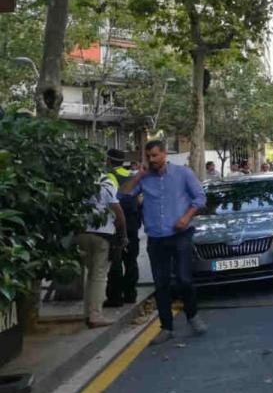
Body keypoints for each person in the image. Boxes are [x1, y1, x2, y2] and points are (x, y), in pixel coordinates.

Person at [119, 140, 207, 346]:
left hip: (181, 234)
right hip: (156, 238)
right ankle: (166, 327)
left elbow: (200, 198)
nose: (151, 160)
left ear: (164, 155)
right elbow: (122, 195)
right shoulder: (144, 178)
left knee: (184, 279)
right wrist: (139, 175)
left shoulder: (182, 174)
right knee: (161, 283)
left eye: (155, 156)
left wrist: (187, 216)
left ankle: (192, 315)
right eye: (148, 156)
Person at [75, 166, 128, 327]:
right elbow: (118, 211)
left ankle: (88, 313)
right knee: (99, 276)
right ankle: (95, 316)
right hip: (103, 235)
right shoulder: (106, 181)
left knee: (91, 275)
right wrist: (123, 235)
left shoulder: (79, 181)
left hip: (82, 233)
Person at [105, 149, 141, 307]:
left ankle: (115, 297)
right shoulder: (132, 175)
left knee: (116, 260)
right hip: (133, 222)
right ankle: (131, 294)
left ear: (108, 161)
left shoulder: (109, 177)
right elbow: (139, 201)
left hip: (116, 223)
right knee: (131, 259)